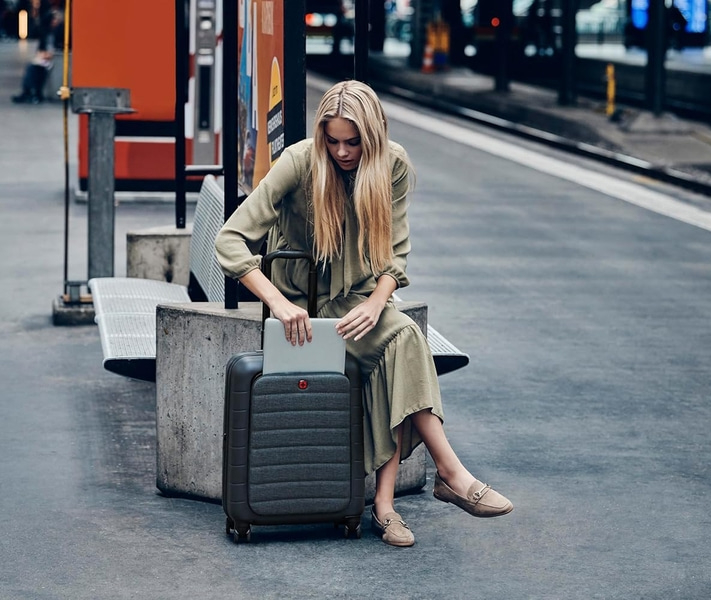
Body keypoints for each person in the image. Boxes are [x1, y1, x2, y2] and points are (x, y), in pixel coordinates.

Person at [215, 80, 513, 547]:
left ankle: (396, 500)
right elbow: (229, 240)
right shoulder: (299, 161)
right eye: (332, 140)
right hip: (307, 311)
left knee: (403, 339)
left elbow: (394, 256)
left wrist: (377, 303)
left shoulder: (391, 164)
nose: (341, 151)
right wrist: (276, 301)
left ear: (372, 136)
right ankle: (436, 483)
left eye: (352, 142)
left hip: (359, 302)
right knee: (402, 345)